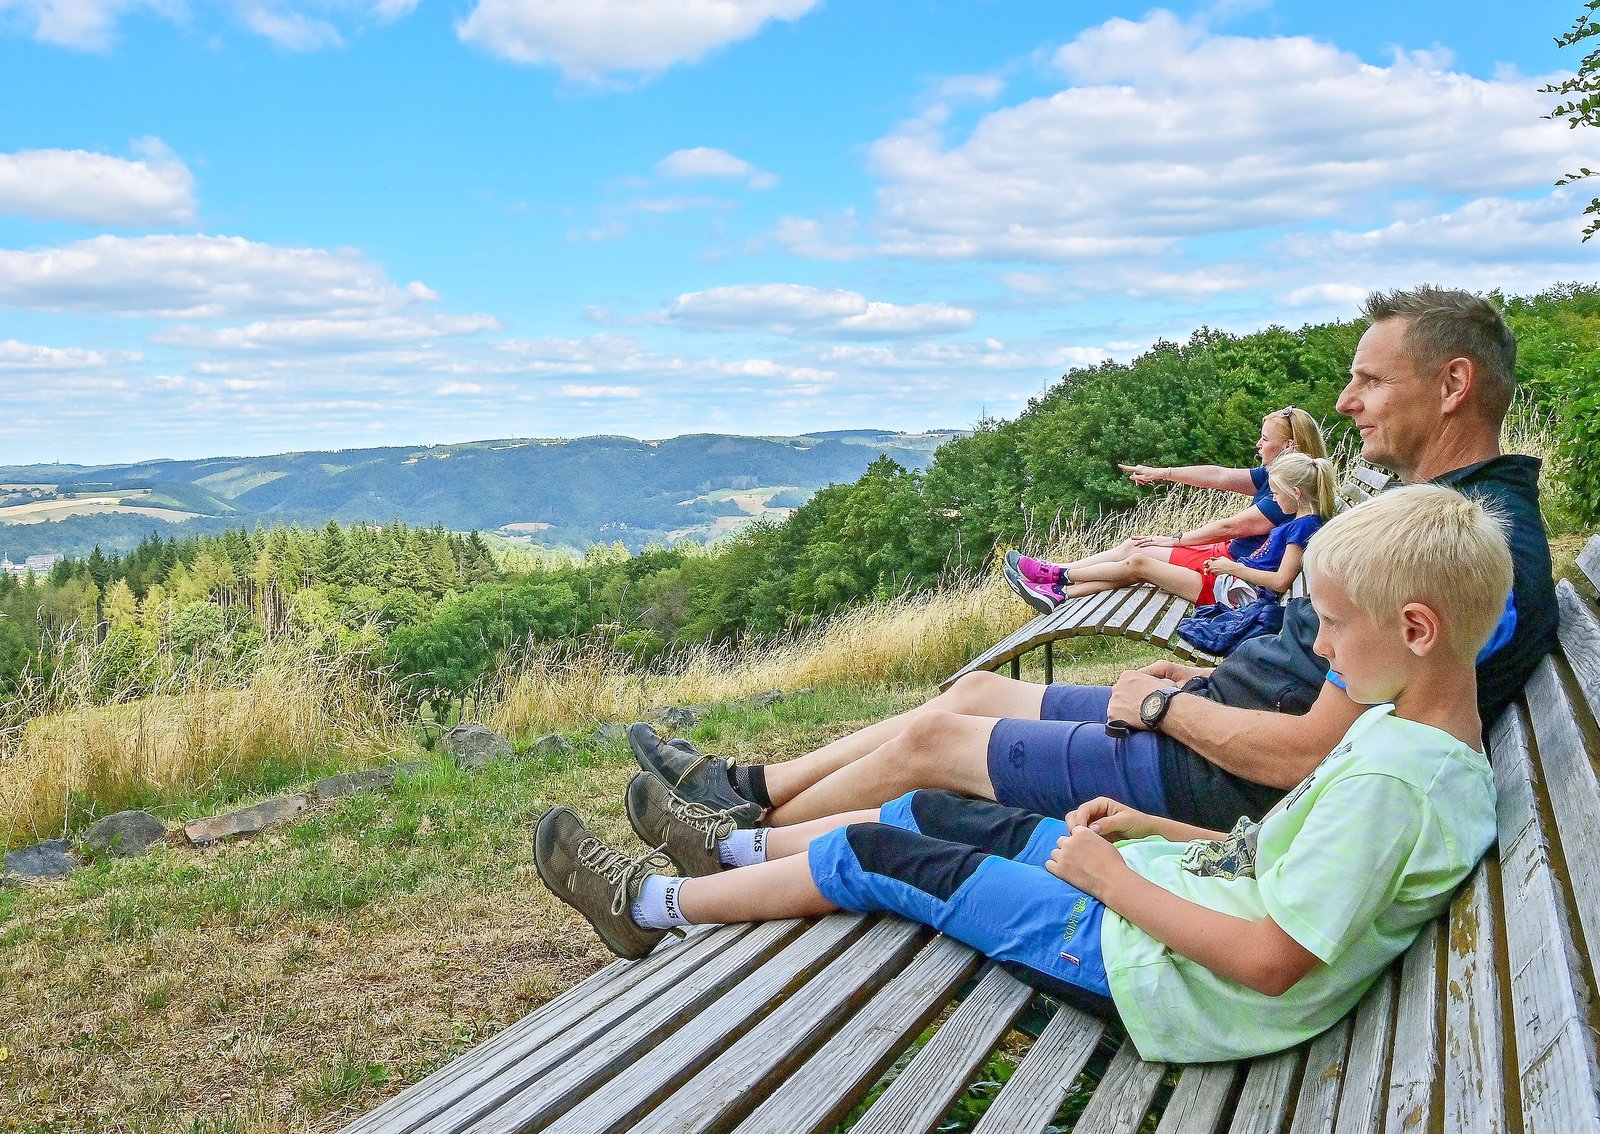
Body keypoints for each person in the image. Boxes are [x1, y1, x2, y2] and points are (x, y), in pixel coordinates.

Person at [536, 486, 1506, 1065]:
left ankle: (657, 904)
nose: (1320, 646)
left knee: (884, 850)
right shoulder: (1413, 748)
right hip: (1162, 896)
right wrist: (1154, 834)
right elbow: (1287, 864)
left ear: (1413, 630)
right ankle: (733, 844)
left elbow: (1270, 961)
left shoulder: (1395, 782)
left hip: (1146, 968)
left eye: (1331, 626)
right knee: (926, 805)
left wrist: (1114, 881)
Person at [627, 287, 1555, 835]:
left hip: (1219, 777)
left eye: (1370, 379)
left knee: (932, 744)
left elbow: (1319, 749)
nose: (1346, 401)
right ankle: (747, 788)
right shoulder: (1439, 515)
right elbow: (1316, 658)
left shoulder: (1475, 545)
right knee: (966, 695)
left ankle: (737, 837)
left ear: (1453, 384)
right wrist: (1201, 681)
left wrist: (1169, 707)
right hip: (1216, 723)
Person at [1004, 406, 1327, 610]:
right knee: (1136, 556)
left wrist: (1173, 540)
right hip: (1229, 562)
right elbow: (1219, 475)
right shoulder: (1289, 480)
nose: (1258, 444)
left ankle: (1056, 576)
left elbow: (1229, 527)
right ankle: (1057, 589)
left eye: (1264, 438)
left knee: (1138, 554)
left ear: (1288, 446)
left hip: (1226, 563)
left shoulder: (1287, 494)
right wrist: (1163, 473)